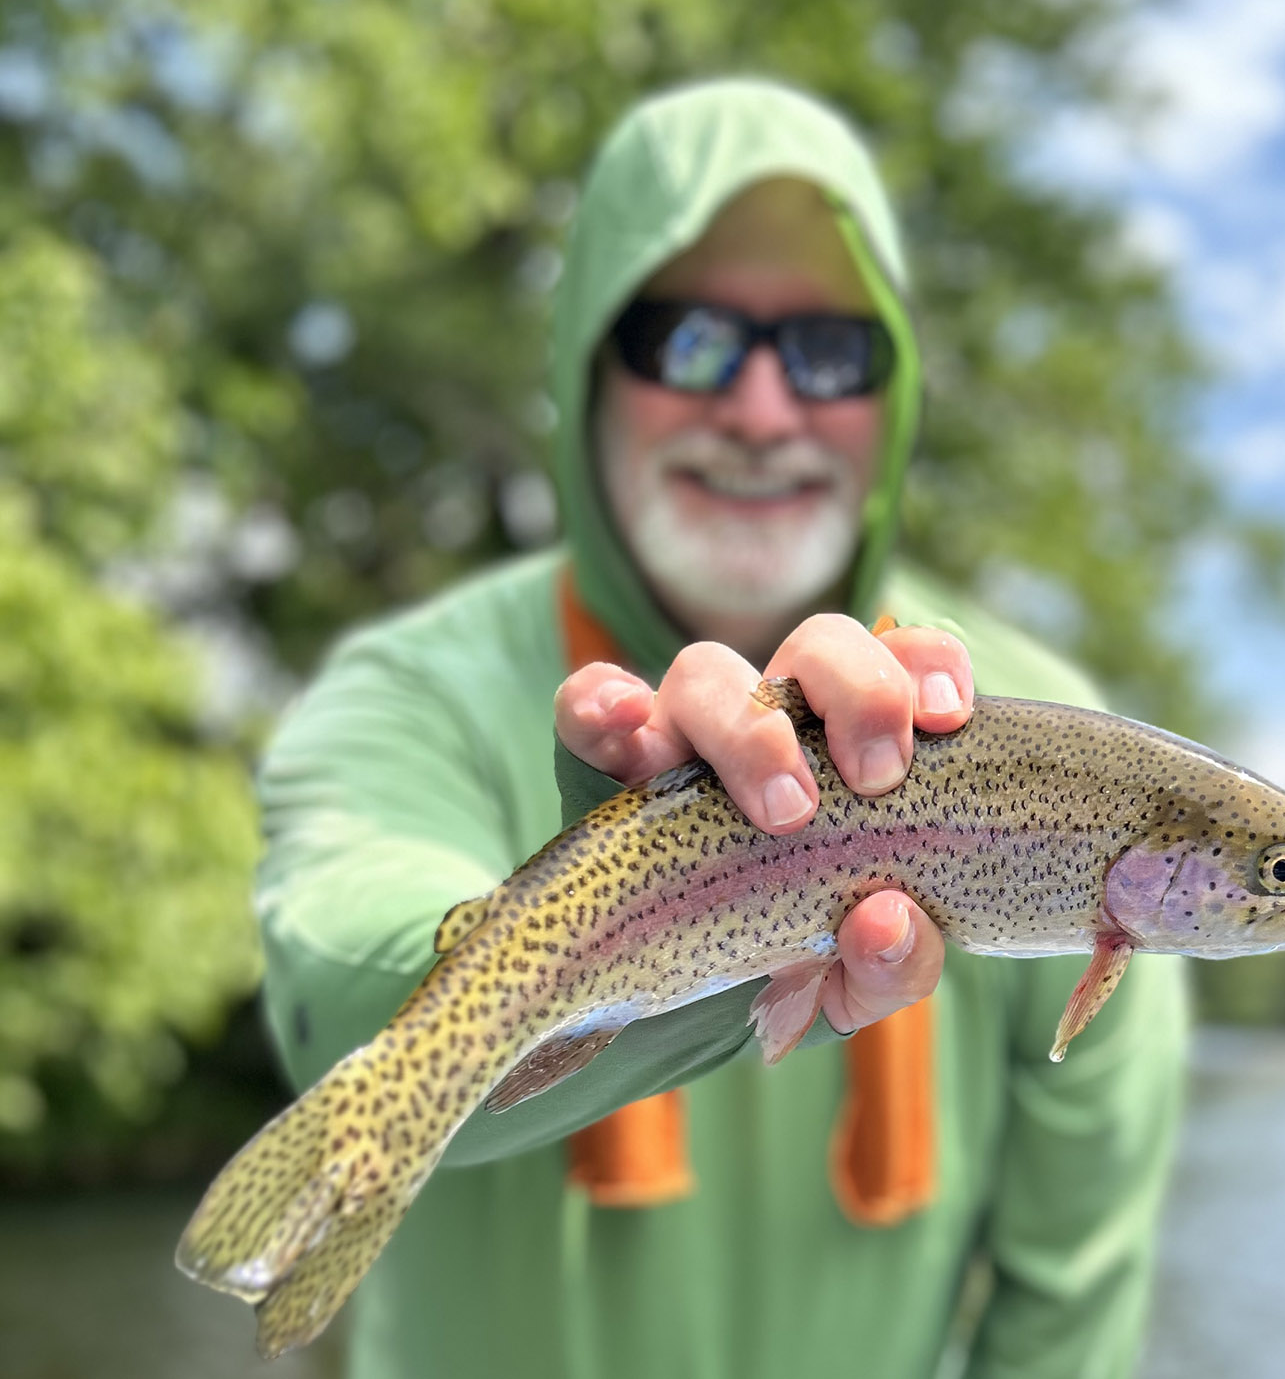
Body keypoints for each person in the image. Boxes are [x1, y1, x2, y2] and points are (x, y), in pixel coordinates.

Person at [254, 78, 1188, 1379]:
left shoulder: (1065, 744)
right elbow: (336, 1009)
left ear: (897, 393)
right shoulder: (407, 689)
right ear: (585, 366)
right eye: (689, 342)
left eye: (828, 355)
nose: (762, 411)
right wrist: (620, 892)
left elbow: (1070, 1303)